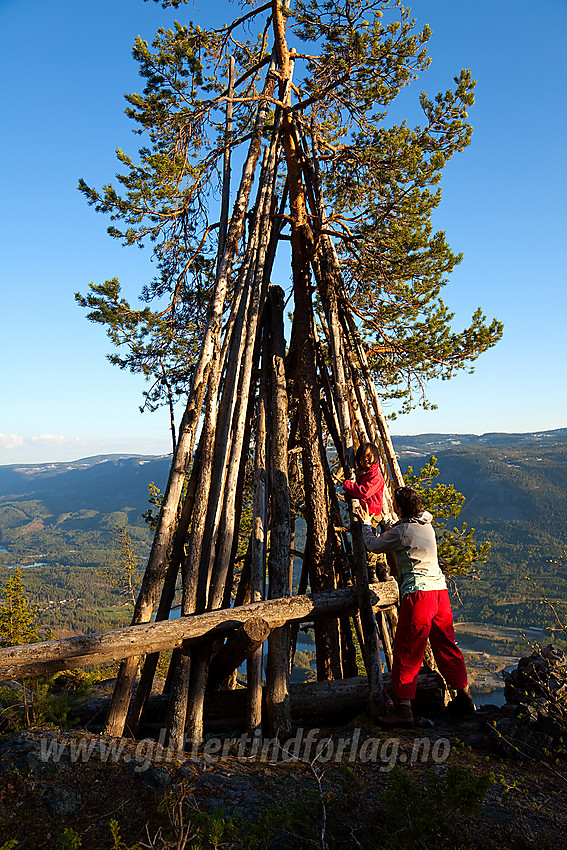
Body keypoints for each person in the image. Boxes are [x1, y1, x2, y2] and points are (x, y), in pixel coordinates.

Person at [356, 486, 474, 725]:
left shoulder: (401, 531)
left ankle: (403, 709)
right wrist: (386, 520)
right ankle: (464, 698)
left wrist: (366, 524)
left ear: (400, 508)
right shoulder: (425, 525)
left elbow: (373, 545)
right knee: (446, 646)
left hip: (418, 597)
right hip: (440, 594)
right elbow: (401, 529)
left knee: (407, 651)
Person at [342, 443, 387, 581]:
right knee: (374, 538)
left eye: (368, 455)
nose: (365, 459)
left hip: (371, 513)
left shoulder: (375, 476)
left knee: (369, 542)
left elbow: (365, 492)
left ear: (375, 456)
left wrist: (348, 485)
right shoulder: (367, 472)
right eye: (362, 456)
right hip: (370, 511)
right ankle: (382, 570)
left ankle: (372, 572)